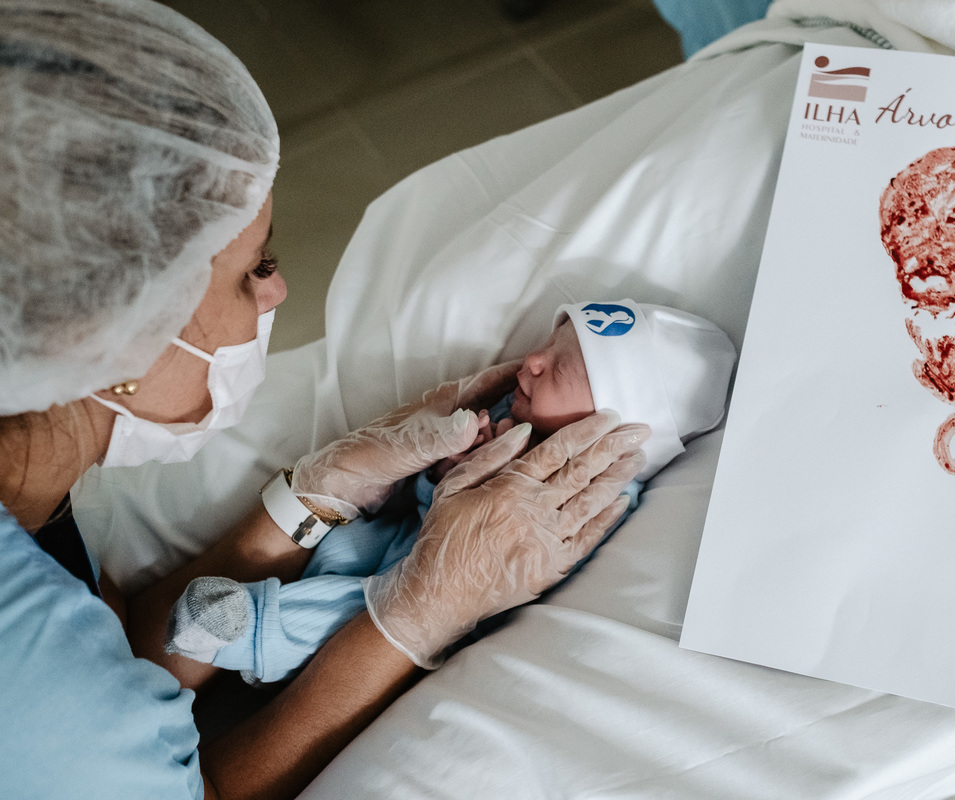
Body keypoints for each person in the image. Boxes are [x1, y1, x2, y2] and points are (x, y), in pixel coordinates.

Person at [0, 3, 646, 799]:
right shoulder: (38, 699)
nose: (278, 290)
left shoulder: (27, 482)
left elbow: (119, 654)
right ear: (107, 338)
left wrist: (314, 498)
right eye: (252, 269)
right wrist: (412, 620)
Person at [165, 300, 738, 683]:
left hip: (442, 590)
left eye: (559, 369)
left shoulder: (597, 494)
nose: (532, 360)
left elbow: (526, 563)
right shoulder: (505, 416)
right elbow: (427, 498)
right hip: (404, 534)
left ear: (613, 429)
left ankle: (248, 630)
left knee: (362, 605)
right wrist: (444, 469)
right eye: (547, 345)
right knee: (342, 550)